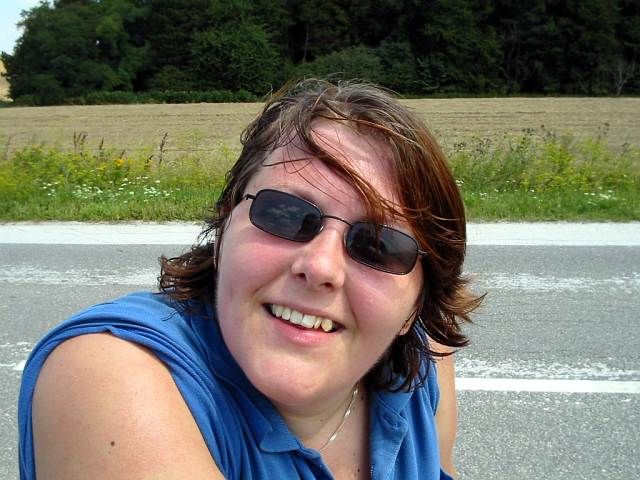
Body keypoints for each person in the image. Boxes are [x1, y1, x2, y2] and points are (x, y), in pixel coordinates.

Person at [18, 79, 481, 479]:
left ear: (416, 306)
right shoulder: (111, 373)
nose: (320, 267)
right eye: (285, 214)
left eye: (379, 245)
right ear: (224, 228)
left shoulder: (422, 365)